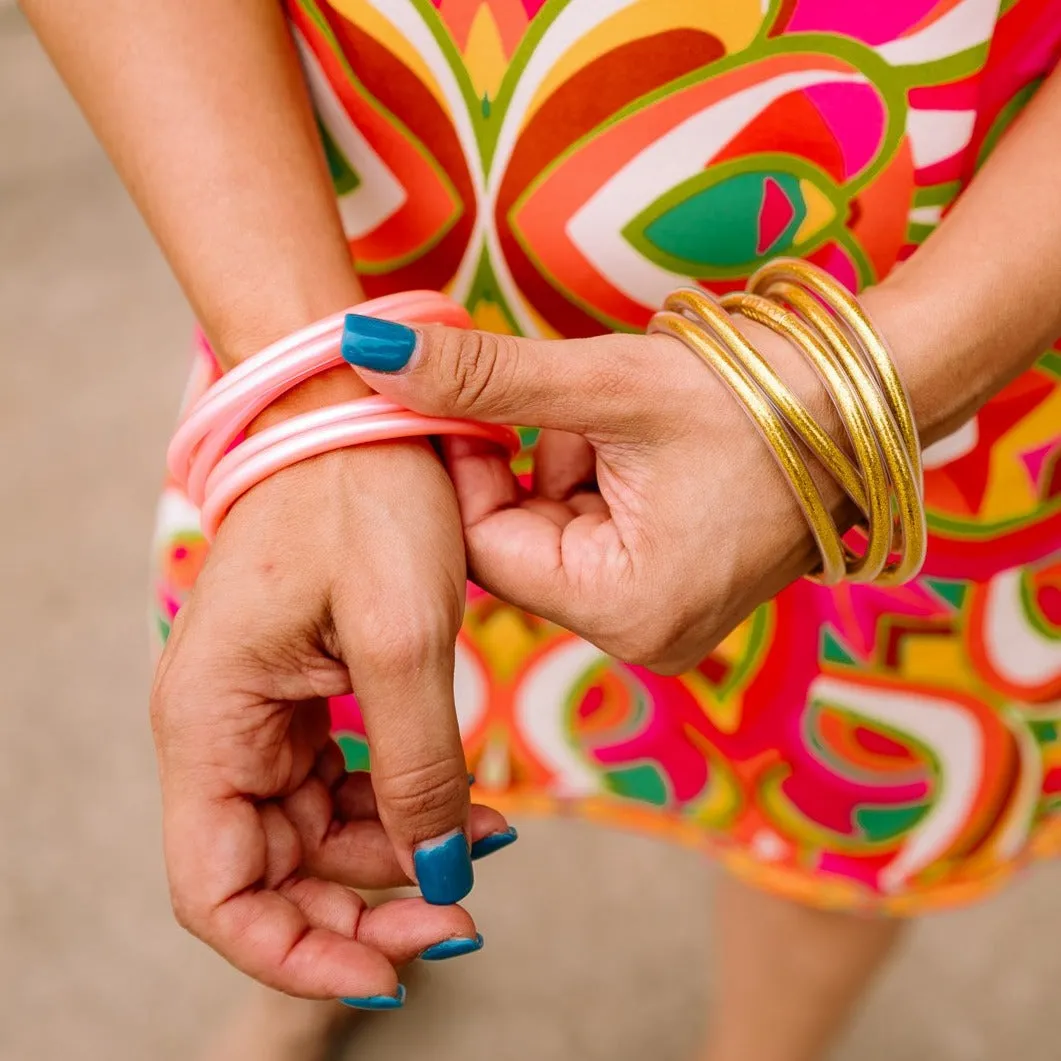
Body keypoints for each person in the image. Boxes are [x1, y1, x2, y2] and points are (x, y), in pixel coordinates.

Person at [24, 0, 1061, 1059]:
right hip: (332, 280)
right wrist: (307, 389)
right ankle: (326, 963)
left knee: (841, 793)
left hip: (928, 329)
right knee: (326, 715)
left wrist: (860, 396)